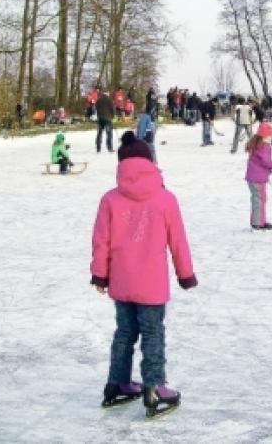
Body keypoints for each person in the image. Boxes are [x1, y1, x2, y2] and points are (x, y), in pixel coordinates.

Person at [91, 130, 197, 418]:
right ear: (150, 163)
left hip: (122, 281)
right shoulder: (165, 199)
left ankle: (117, 384)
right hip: (151, 285)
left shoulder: (110, 199)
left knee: (124, 332)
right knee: (152, 333)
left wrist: (100, 275)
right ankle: (153, 388)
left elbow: (101, 241)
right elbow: (178, 241)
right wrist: (185, 274)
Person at [245, 123, 272, 230]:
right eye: (271, 135)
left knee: (258, 199)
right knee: (260, 199)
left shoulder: (256, 144)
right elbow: (266, 161)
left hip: (252, 178)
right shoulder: (264, 146)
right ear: (267, 135)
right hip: (258, 179)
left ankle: (258, 221)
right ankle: (257, 223)